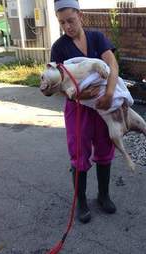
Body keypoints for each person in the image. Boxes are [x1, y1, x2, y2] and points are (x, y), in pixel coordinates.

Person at [51, 0, 119, 223]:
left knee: (105, 145)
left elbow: (112, 64)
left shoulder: (97, 38)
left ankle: (103, 196)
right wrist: (77, 95)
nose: (67, 26)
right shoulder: (59, 47)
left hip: (102, 104)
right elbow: (58, 84)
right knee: (79, 153)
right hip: (78, 109)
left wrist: (109, 94)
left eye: (70, 20)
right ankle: (81, 202)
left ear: (80, 16)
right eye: (62, 23)